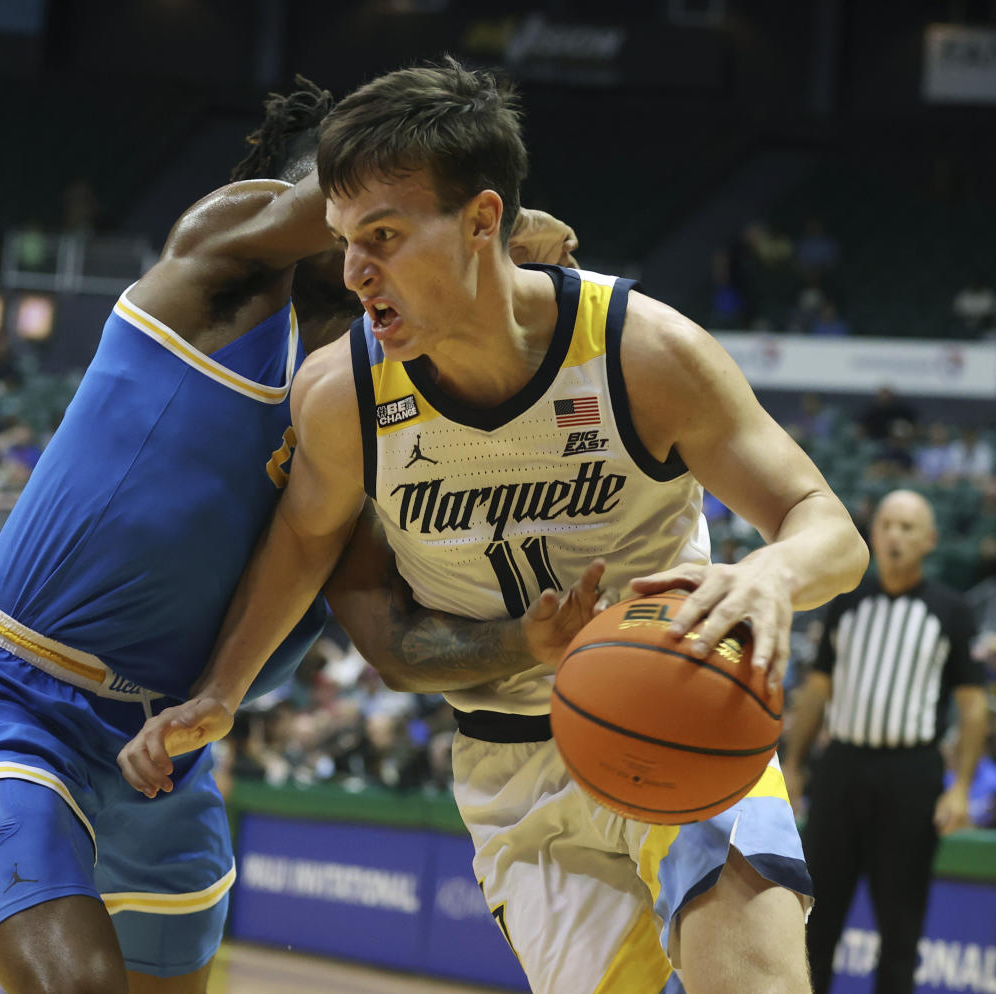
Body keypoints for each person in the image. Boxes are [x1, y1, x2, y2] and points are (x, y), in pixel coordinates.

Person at [123, 59, 870, 994]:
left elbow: (829, 528)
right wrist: (223, 690)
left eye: (385, 237)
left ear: (484, 222)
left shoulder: (641, 351)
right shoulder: (343, 393)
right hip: (510, 765)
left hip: (678, 697)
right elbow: (306, 539)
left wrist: (770, 575)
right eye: (349, 239)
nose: (356, 270)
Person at [0, 77, 591, 994]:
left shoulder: (374, 404)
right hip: (19, 696)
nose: (358, 223)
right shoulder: (219, 263)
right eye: (338, 193)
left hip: (174, 749)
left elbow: (389, 640)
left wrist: (523, 640)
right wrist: (483, 228)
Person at [782, 490, 988, 994]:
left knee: (900, 925)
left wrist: (959, 786)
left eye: (907, 527)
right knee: (816, 922)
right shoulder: (847, 603)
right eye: (888, 524)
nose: (895, 535)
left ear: (930, 540)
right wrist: (794, 764)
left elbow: (973, 706)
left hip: (911, 774)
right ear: (873, 533)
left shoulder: (953, 611)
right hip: (842, 768)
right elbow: (816, 691)